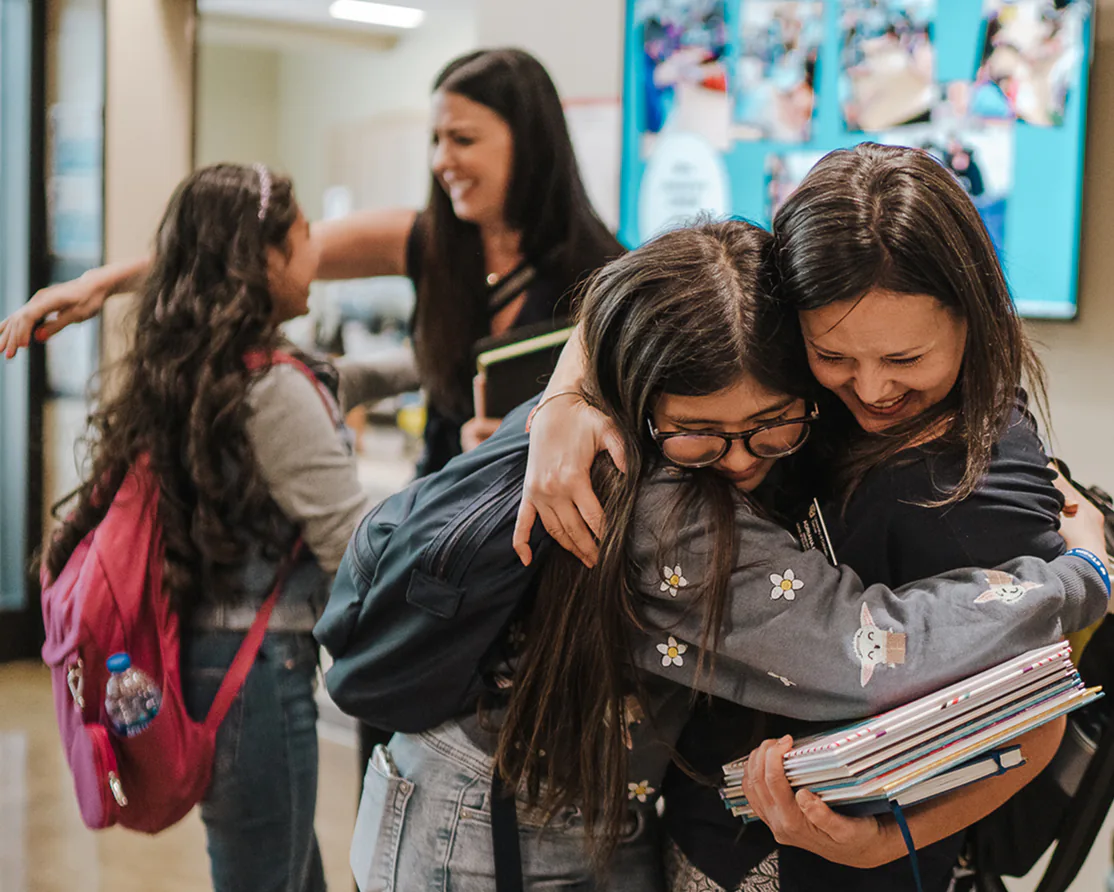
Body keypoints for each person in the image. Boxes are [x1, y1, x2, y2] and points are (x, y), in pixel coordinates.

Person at [334, 219, 1110, 892]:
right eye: (699, 432)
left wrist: (564, 395)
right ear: (639, 397)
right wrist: (1083, 578)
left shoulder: (616, 400)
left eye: (772, 427)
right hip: (481, 816)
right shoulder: (664, 513)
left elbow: (640, 282)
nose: (740, 462)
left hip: (590, 806)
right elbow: (867, 643)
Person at [0, 46, 625, 768]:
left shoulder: (599, 271)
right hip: (425, 544)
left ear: (530, 140)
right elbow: (245, 251)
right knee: (389, 770)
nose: (442, 159)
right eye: (433, 139)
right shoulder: (430, 241)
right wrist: (103, 284)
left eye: (463, 139)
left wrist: (534, 432)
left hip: (522, 567)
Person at [12, 163, 406, 892]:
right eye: (306, 235)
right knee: (267, 878)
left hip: (205, 657)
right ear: (264, 259)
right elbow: (357, 547)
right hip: (259, 677)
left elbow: (341, 376)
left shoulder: (206, 368)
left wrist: (437, 366)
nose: (318, 251)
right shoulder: (275, 390)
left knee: (282, 872)